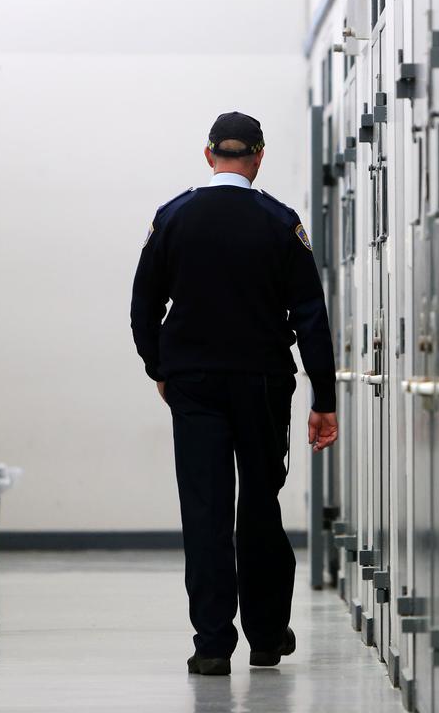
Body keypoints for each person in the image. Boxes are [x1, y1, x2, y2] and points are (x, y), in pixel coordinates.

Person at [130, 111, 339, 676]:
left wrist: (160, 367)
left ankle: (212, 645)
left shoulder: (171, 217)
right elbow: (311, 316)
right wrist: (325, 397)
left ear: (208, 156)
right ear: (258, 156)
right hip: (262, 383)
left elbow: (143, 305)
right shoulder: (280, 221)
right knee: (260, 506)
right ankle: (267, 637)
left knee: (205, 509)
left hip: (192, 384)